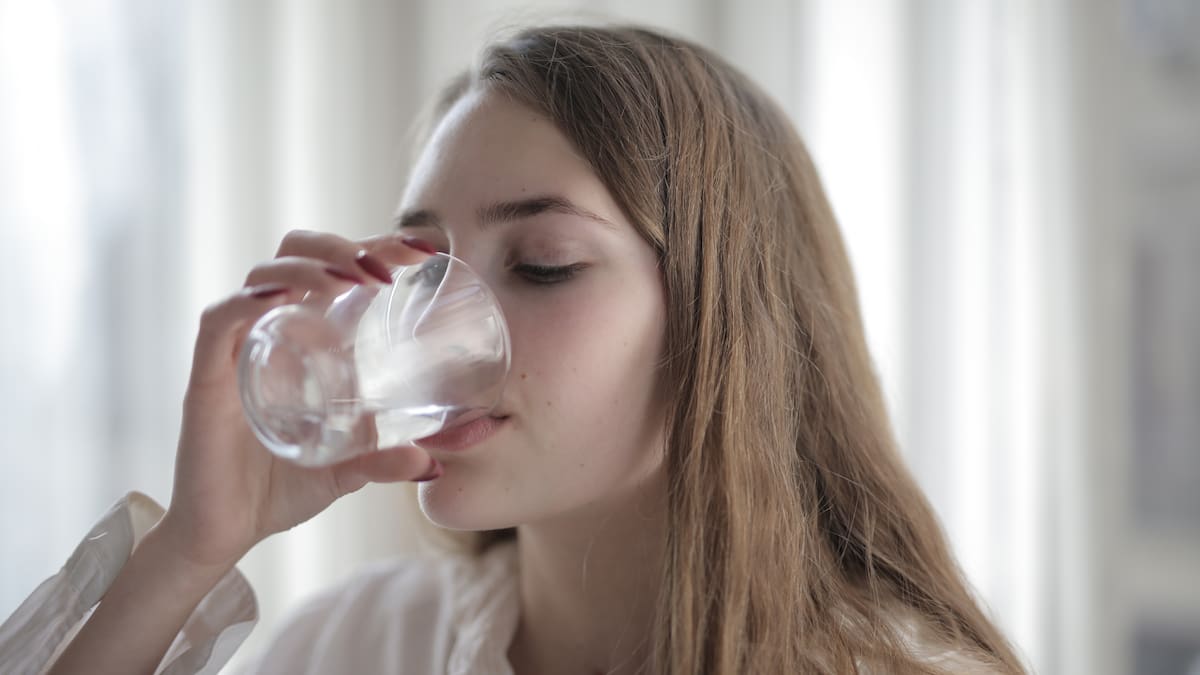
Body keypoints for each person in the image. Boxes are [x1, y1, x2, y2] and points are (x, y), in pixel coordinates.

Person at [2, 23, 1026, 675]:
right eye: (423, 266)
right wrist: (190, 550)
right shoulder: (367, 646)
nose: (433, 323)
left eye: (540, 263)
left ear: (726, 322)